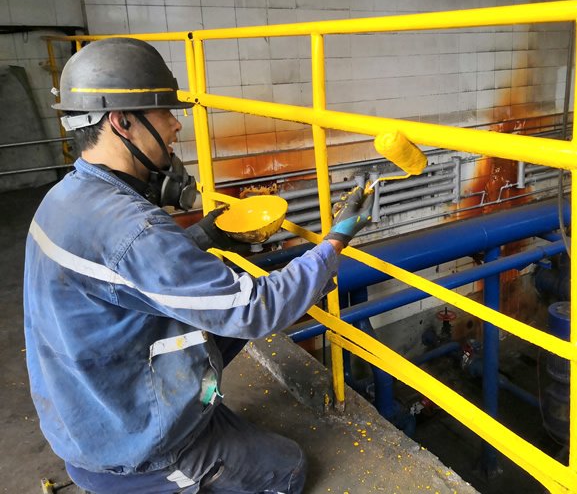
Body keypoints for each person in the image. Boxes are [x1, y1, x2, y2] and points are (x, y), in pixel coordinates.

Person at [23, 37, 373, 494]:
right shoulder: (134, 229)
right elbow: (258, 309)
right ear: (122, 122)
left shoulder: (67, 196)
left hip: (89, 409)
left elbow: (123, 274)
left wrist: (206, 238)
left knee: (221, 318)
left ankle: (192, 421)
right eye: (164, 112)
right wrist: (335, 241)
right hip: (130, 450)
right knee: (288, 469)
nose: (176, 126)